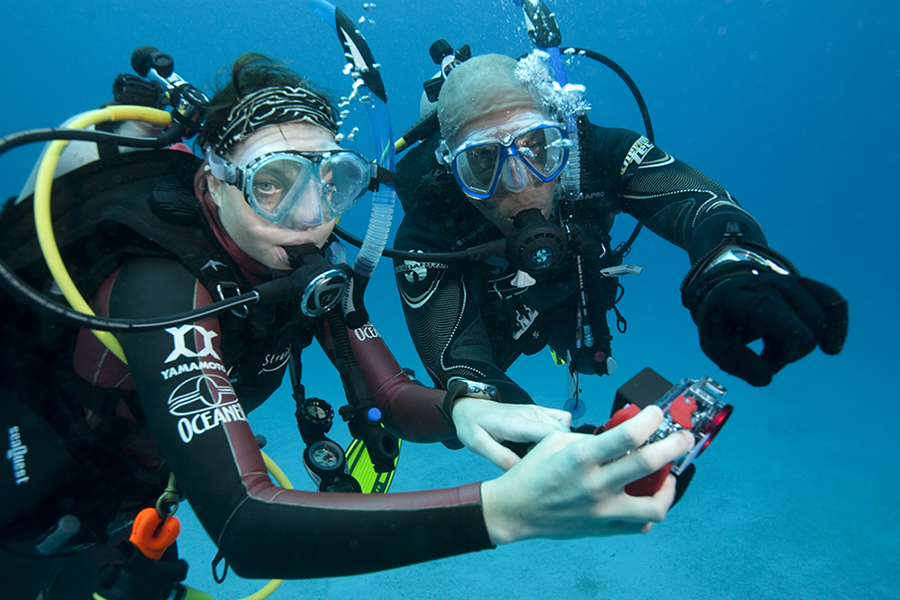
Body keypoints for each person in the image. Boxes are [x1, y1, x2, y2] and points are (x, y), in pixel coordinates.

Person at [0, 54, 695, 600]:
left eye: (330, 180)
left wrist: (463, 412)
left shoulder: (307, 268)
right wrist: (504, 512)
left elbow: (390, 395)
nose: (311, 215)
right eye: (272, 183)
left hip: (124, 495)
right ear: (212, 183)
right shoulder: (161, 286)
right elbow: (244, 524)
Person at [393, 53, 848, 418]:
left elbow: (702, 203)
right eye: (482, 162)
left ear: (561, 136)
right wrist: (525, 433)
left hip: (573, 304)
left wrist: (729, 266)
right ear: (451, 169)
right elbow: (455, 360)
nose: (519, 182)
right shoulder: (429, 224)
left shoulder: (597, 154)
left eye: (536, 147)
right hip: (496, 324)